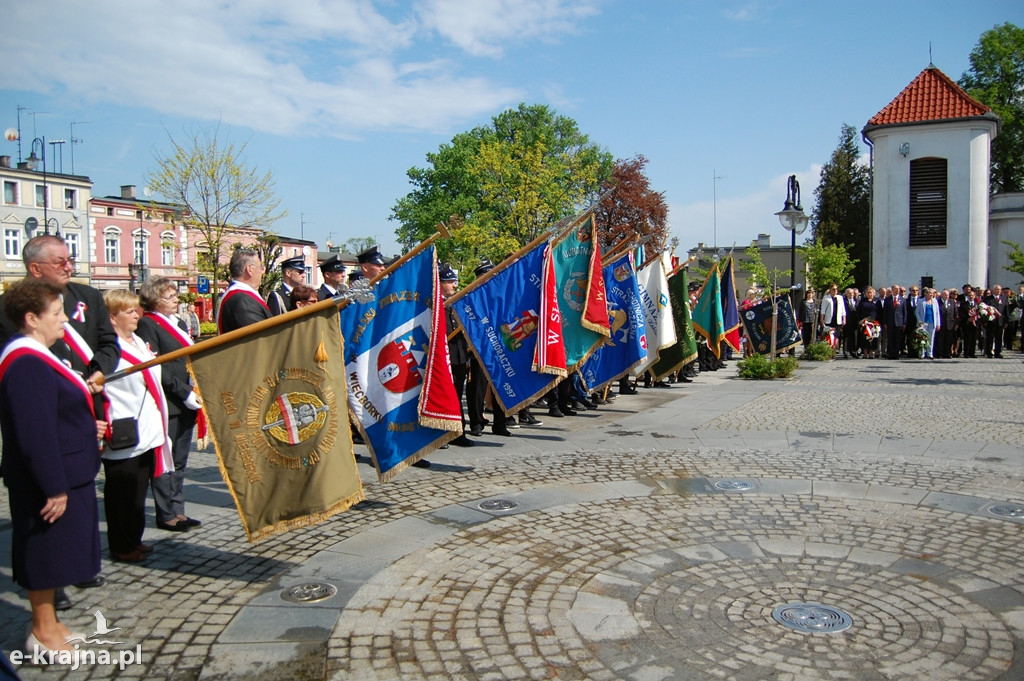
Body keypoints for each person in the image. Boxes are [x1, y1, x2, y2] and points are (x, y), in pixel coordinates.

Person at [0, 235, 117, 607]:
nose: (70, 266)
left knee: (83, 497)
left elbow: (107, 343)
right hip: (49, 402)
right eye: (60, 261)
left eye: (70, 259)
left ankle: (80, 564)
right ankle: (52, 587)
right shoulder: (11, 311)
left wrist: (98, 373)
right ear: (36, 269)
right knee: (48, 512)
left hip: (86, 398)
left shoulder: (88, 296)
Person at [101, 289, 173, 561]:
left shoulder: (138, 342)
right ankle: (121, 544)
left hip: (147, 427)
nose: (137, 315)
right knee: (121, 492)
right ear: (112, 317)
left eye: (137, 309)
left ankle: (135, 537)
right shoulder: (109, 348)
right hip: (122, 426)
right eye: (129, 311)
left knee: (138, 489)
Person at [136, 277, 204, 532]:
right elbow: (156, 365)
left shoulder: (176, 322)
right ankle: (166, 513)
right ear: (154, 300)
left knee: (180, 459)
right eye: (169, 296)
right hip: (169, 400)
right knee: (165, 460)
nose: (176, 300)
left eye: (175, 295)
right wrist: (183, 391)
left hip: (186, 400)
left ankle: (178, 509)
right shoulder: (148, 324)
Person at [439, 264, 475, 447]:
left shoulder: (455, 304)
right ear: (441, 283)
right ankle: (443, 433)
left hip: (459, 357)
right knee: (445, 397)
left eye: (454, 282)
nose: (454, 285)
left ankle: (457, 433)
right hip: (444, 358)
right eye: (450, 282)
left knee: (456, 396)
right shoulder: (436, 306)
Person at [218, 249, 272, 333]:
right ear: (250, 269)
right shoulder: (242, 300)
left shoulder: (239, 296)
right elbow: (260, 339)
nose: (262, 272)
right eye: (261, 268)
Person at [915, 287, 941, 359]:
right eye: (930, 293)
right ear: (926, 294)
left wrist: (938, 324)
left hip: (932, 322)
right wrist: (919, 321)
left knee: (931, 338)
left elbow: (937, 313)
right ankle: (922, 353)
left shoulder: (935, 301)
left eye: (932, 293)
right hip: (924, 322)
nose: (931, 294)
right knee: (923, 338)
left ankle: (930, 353)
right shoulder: (921, 301)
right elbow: (917, 312)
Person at [982, 284, 1007, 358]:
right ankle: (989, 352)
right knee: (990, 338)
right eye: (997, 289)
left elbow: (1006, 311)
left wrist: (1006, 321)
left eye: (999, 289)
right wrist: (984, 321)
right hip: (991, 321)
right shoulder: (988, 299)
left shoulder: (1003, 299)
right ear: (993, 290)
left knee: (999, 338)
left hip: (1000, 322)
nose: (998, 291)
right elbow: (983, 310)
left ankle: (997, 352)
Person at [856, 286, 880, 358]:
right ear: (866, 293)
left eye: (871, 292)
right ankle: (865, 353)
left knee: (873, 337)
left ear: (874, 293)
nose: (870, 294)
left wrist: (878, 322)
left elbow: (880, 312)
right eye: (868, 293)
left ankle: (871, 353)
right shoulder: (862, 301)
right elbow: (858, 311)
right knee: (865, 338)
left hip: (874, 322)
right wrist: (861, 320)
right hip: (865, 322)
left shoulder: (877, 301)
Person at [959, 287, 979, 358]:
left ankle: (972, 353)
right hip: (967, 324)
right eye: (970, 295)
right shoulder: (964, 304)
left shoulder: (977, 305)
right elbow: (961, 314)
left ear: (975, 296)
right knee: (967, 339)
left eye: (972, 295)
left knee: (974, 339)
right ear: (967, 296)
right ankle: (966, 353)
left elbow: (979, 313)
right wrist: (968, 319)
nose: (971, 297)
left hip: (975, 324)